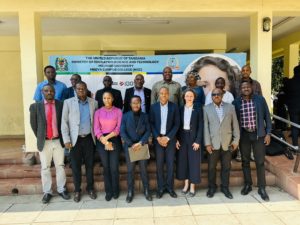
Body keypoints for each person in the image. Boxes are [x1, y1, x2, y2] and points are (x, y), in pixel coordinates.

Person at [30, 84, 70, 204]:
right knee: (45, 167)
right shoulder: (35, 106)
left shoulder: (61, 104)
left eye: (51, 91)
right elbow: (34, 125)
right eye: (46, 91)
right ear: (42, 92)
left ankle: (61, 189)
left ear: (54, 92)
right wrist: (41, 137)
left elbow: (65, 122)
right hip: (45, 141)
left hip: (58, 141)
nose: (49, 93)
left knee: (60, 166)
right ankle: (47, 192)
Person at [233, 80, 272, 201]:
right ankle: (248, 185)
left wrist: (268, 133)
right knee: (245, 161)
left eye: (247, 86)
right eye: (243, 87)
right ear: (240, 89)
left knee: (260, 162)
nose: (245, 88)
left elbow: (267, 117)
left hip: (258, 135)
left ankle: (262, 188)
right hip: (244, 135)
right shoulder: (236, 102)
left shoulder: (260, 100)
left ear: (251, 87)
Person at [61, 81, 98, 202]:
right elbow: (64, 123)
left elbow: (96, 122)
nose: (81, 91)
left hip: (89, 139)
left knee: (89, 166)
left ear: (86, 89)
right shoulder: (68, 103)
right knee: (76, 167)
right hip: (74, 140)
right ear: (75, 90)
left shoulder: (94, 103)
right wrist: (66, 139)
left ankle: (90, 188)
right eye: (79, 89)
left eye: (83, 88)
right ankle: (77, 190)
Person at [204, 88, 240, 199]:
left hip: (227, 143)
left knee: (226, 167)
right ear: (211, 97)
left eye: (218, 94)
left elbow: (235, 126)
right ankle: (212, 188)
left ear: (222, 95)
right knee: (211, 167)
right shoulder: (206, 109)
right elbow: (206, 127)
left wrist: (235, 141)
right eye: (213, 94)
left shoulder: (230, 107)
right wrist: (207, 144)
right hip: (213, 144)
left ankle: (225, 188)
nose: (216, 96)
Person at [150, 87, 180, 198]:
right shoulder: (153, 107)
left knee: (171, 165)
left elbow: (177, 124)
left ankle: (170, 188)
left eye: (165, 93)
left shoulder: (174, 107)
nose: (163, 95)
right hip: (158, 140)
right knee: (159, 165)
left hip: (170, 140)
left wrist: (167, 138)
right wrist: (158, 138)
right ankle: (161, 188)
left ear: (168, 95)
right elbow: (151, 123)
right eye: (161, 93)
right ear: (158, 95)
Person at [121, 95, 152, 203]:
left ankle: (147, 190)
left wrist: (141, 142)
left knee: (144, 170)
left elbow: (148, 131)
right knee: (130, 171)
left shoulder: (145, 116)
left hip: (142, 146)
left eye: (138, 102)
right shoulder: (125, 116)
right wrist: (131, 144)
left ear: (141, 104)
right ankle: (130, 192)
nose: (136, 105)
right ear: (130, 104)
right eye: (133, 103)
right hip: (130, 147)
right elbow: (122, 132)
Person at [94, 91, 123, 201]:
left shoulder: (118, 111)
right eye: (105, 98)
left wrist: (108, 139)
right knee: (106, 167)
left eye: (109, 98)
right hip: (102, 141)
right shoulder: (98, 112)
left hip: (114, 139)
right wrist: (105, 141)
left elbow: (118, 128)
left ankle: (116, 190)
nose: (107, 100)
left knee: (114, 167)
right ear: (102, 99)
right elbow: (96, 129)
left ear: (113, 99)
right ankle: (108, 191)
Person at [176, 89, 203, 197]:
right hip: (182, 138)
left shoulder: (198, 109)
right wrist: (177, 139)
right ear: (184, 97)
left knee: (193, 163)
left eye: (191, 96)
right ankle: (186, 185)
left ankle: (192, 186)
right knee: (183, 162)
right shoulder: (180, 109)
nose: (189, 98)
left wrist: (198, 141)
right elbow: (177, 125)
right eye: (187, 96)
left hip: (193, 139)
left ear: (194, 97)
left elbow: (201, 126)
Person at [284, 65, 300, 149]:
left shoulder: (289, 82)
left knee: (294, 126)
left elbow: (285, 93)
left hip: (293, 108)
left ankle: (295, 146)